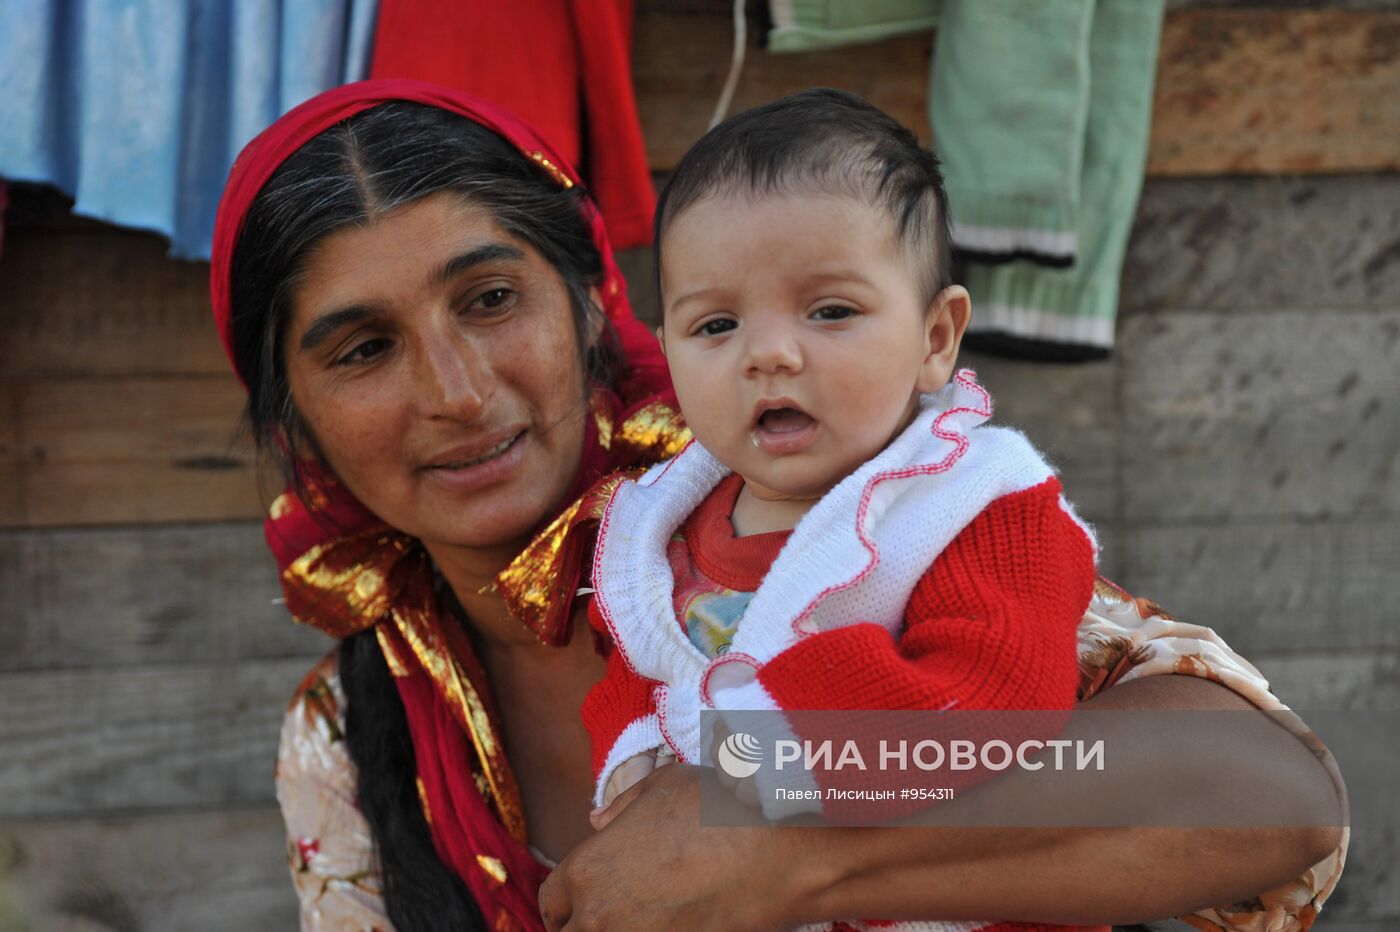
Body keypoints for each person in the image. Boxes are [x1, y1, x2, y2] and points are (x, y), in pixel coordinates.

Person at [210, 80, 1345, 932]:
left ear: (594, 306)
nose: (456, 392)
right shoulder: (347, 730)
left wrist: (777, 831)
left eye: (492, 298)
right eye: (361, 349)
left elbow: (1270, 797)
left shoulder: (808, 530)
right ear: (294, 422)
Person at [584, 91, 1097, 851]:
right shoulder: (660, 530)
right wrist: (633, 764)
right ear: (668, 350)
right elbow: (642, 674)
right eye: (717, 326)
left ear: (935, 338)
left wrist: (735, 766)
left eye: (829, 312)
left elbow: (996, 696)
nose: (769, 354)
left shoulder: (976, 506)